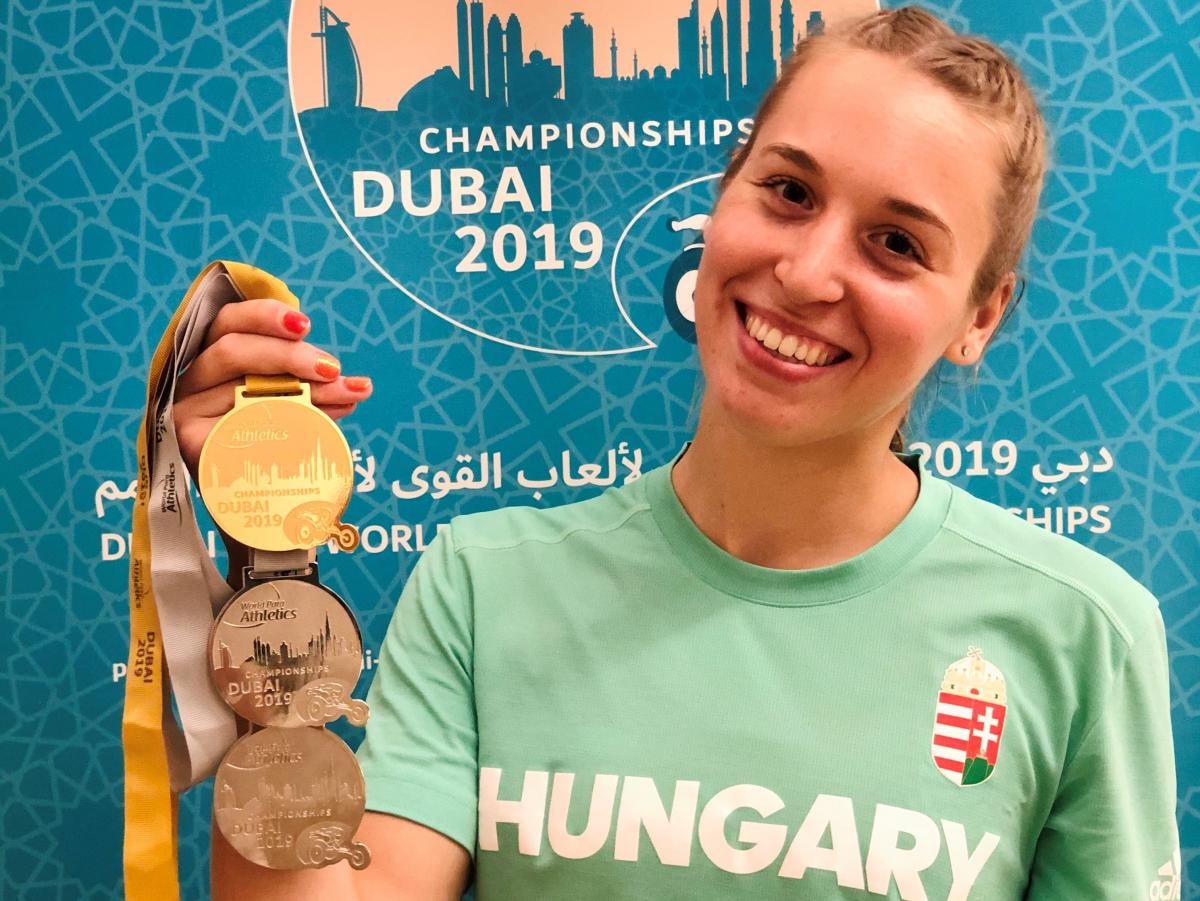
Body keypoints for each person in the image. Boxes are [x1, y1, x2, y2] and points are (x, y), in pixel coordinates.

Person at [183, 7, 1179, 899]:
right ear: (724, 195)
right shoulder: (485, 587)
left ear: (981, 315)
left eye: (897, 245)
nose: (807, 269)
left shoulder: (1085, 635)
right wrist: (266, 567)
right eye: (788, 190)